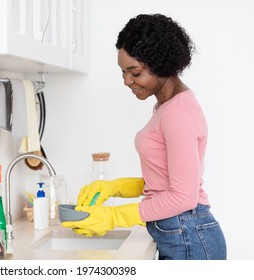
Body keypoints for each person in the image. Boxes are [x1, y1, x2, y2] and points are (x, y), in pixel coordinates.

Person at [62, 13, 227, 260]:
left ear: (160, 64)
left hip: (190, 237)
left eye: (135, 72)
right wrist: (115, 188)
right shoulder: (166, 107)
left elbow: (183, 196)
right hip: (183, 233)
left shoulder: (178, 113)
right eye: (123, 72)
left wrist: (114, 216)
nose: (127, 81)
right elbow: (164, 181)